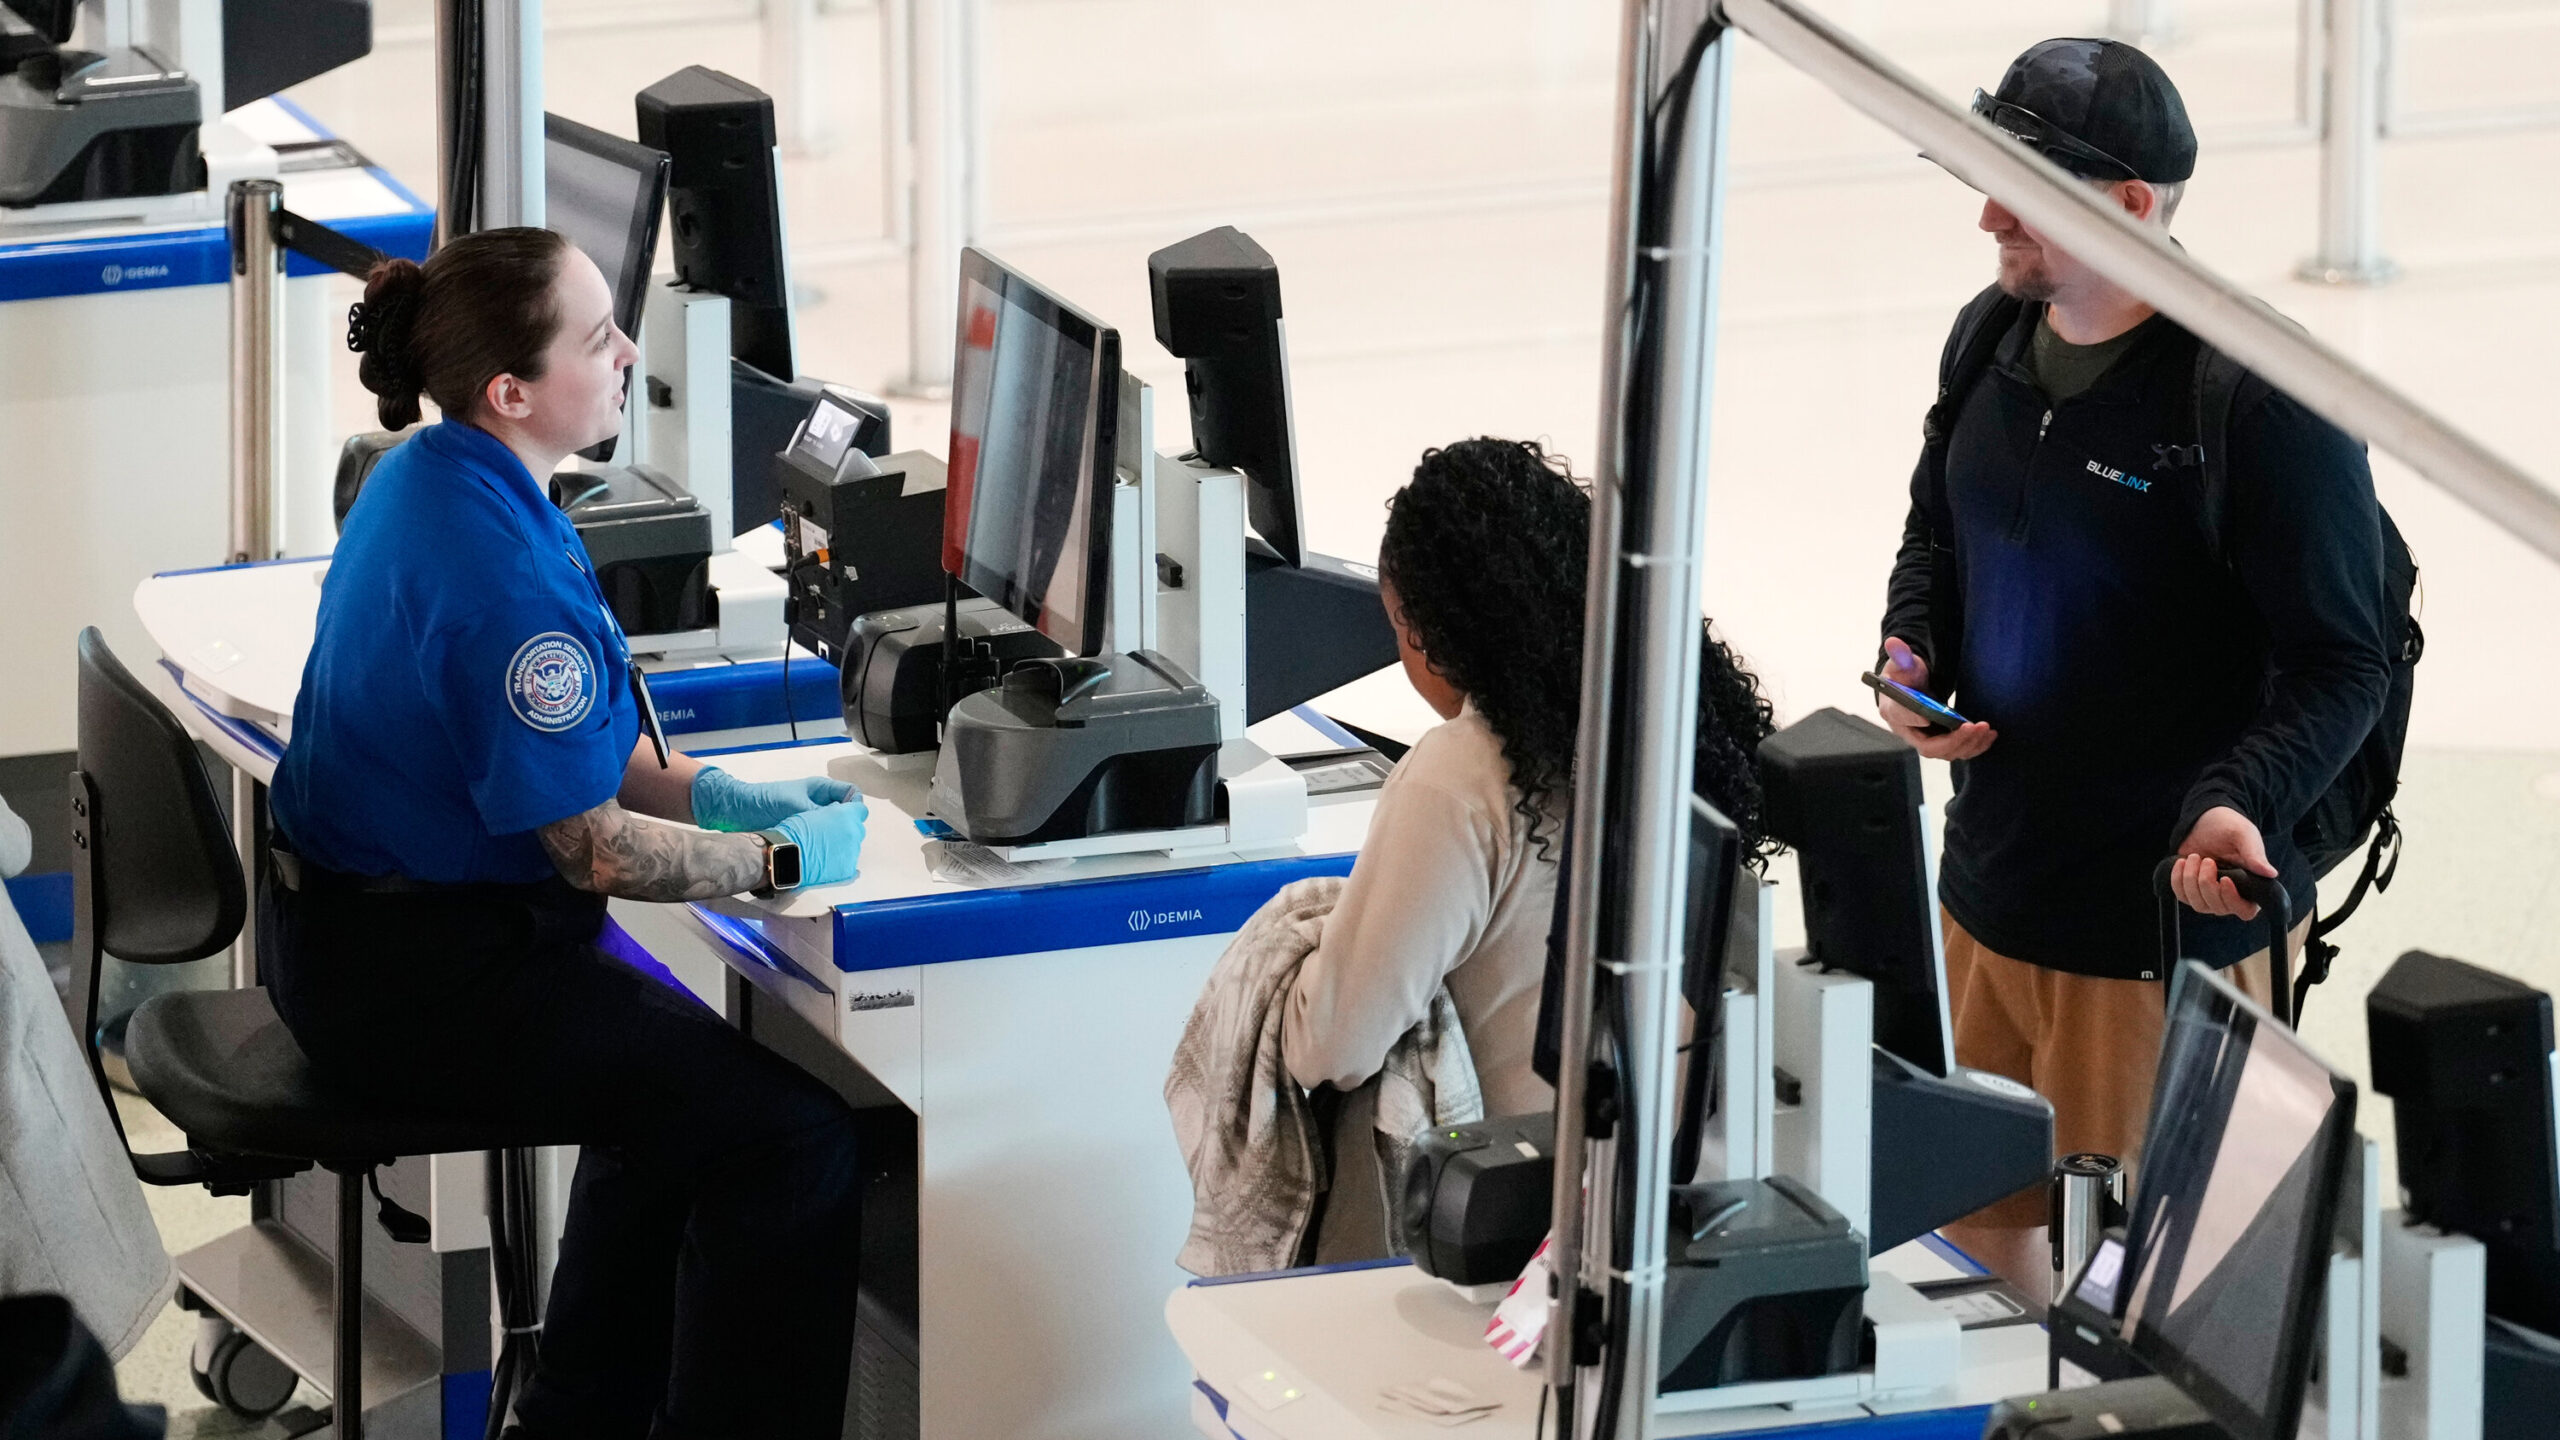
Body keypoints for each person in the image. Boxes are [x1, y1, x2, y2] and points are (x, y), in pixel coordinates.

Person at [265, 228, 873, 1438]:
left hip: (357, 944)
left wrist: (719, 794)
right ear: (513, 391)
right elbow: (588, 848)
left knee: (669, 1094)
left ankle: (579, 1423)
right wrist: (778, 864)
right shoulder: (503, 580)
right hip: (425, 984)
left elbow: (593, 755)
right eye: (598, 339)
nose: (629, 354)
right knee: (789, 1144)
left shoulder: (439, 475)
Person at [1876, 39, 2392, 1297]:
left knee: (2151, 1310)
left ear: (2128, 208)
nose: (1988, 214)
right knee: (1972, 1280)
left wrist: (2241, 800)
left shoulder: (2261, 400)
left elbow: (2343, 660)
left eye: (2022, 189)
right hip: (1987, 898)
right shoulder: (1989, 336)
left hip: (2152, 942)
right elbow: (1934, 531)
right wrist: (1911, 649)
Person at [1283, 438, 1777, 1117]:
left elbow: (1331, 1050)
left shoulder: (1455, 780)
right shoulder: (1656, 732)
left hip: (1513, 1186)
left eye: (1399, 628)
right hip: (1649, 1158)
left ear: (1434, 634)